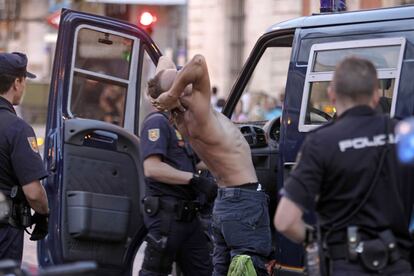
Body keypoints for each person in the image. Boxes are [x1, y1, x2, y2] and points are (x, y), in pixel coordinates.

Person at [274, 57, 414, 275]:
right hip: (397, 265)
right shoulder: (403, 135)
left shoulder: (320, 142)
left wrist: (316, 239)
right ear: (376, 95)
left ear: (332, 94)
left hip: (344, 266)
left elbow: (285, 221)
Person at [151, 55, 272, 276]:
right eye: (178, 78)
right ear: (178, 92)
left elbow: (164, 61)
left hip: (224, 203)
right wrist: (172, 92)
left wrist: (167, 93)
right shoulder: (199, 108)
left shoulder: (180, 119)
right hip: (244, 201)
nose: (182, 76)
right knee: (248, 268)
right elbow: (198, 62)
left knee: (221, 270)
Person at [139, 57, 214, 276]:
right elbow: (152, 168)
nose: (183, 90)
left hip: (189, 219)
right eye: (179, 87)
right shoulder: (157, 122)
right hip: (166, 218)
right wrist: (194, 180)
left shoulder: (176, 125)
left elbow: (192, 159)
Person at [0, 52, 49, 262]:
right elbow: (34, 193)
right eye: (25, 80)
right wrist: (43, 213)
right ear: (17, 83)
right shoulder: (18, 129)